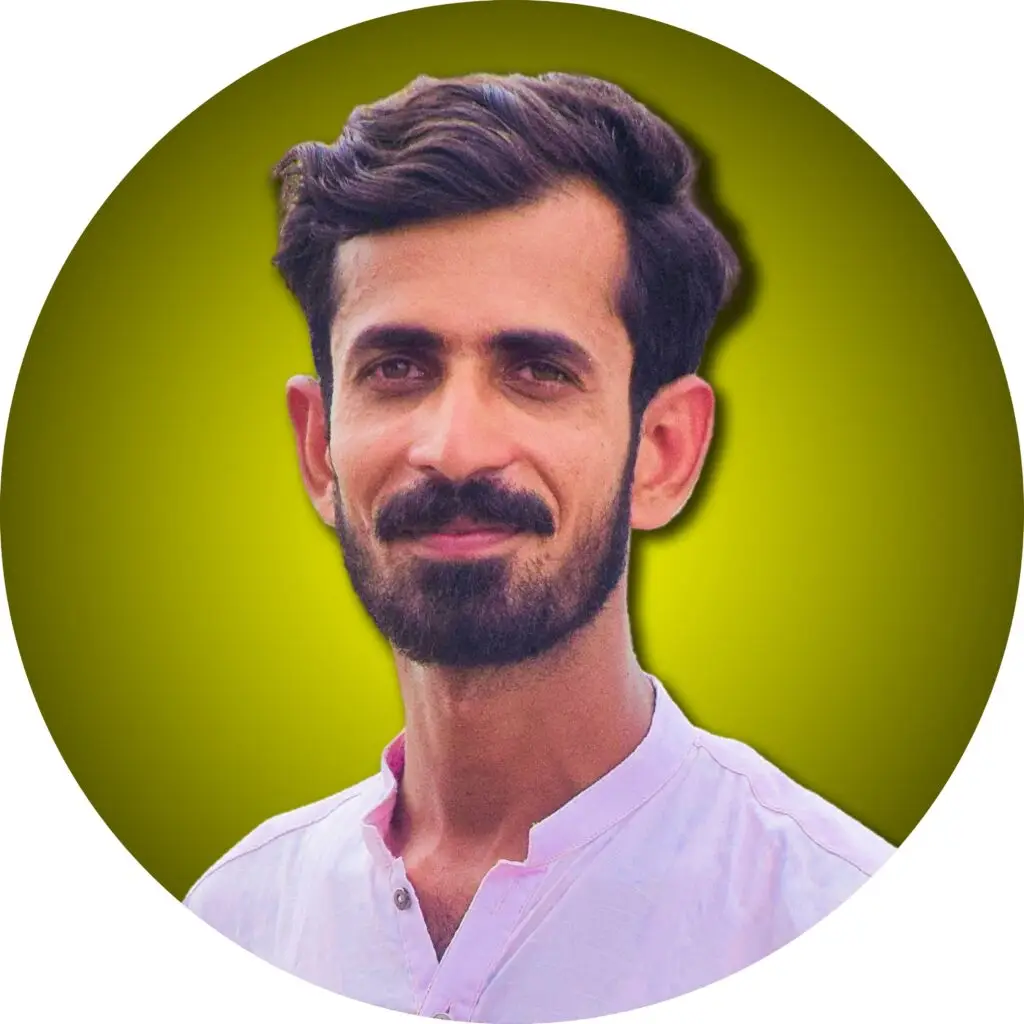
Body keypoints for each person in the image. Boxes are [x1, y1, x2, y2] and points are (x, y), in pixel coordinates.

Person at [185, 72, 893, 1021]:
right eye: (397, 368)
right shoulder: (232, 924)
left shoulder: (849, 931)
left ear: (663, 452)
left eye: (538, 372)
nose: (455, 449)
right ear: (319, 448)